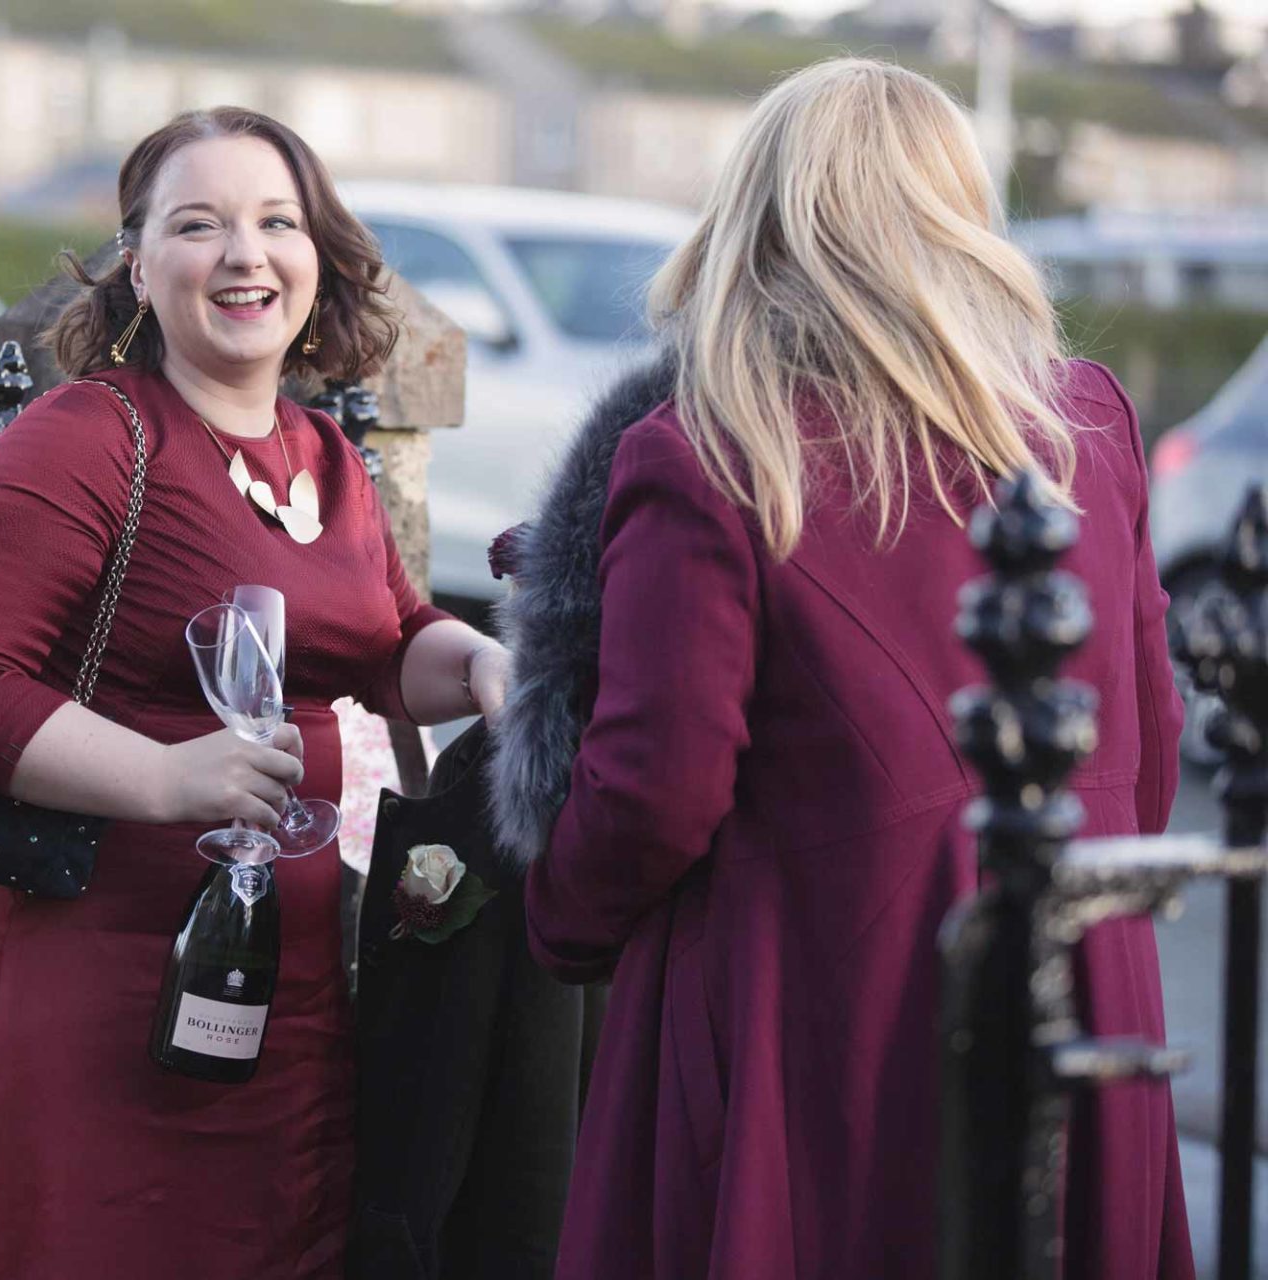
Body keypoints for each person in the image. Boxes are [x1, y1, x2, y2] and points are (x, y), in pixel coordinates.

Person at [489, 59, 1190, 1279]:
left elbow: (657, 783)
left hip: (807, 997)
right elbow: (1151, 735)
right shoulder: (1084, 420)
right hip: (1071, 968)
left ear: (757, 217)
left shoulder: (715, 443)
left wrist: (559, 912)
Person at [0, 106, 510, 1280]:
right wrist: (166, 775)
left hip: (290, 993)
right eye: (201, 224)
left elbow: (385, 645)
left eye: (276, 221)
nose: (245, 253)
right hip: (105, 985)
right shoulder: (84, 436)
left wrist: (481, 662)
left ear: (318, 253)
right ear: (140, 262)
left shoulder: (325, 453)